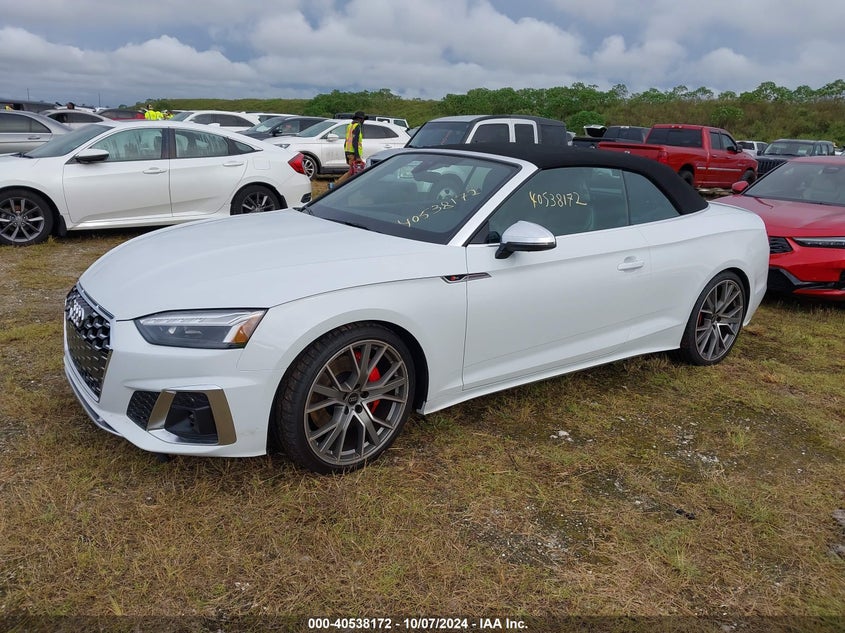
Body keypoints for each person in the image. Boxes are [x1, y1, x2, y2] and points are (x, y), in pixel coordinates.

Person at [332, 110, 366, 187]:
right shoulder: (357, 126)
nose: (363, 121)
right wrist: (357, 156)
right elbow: (355, 141)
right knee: (352, 172)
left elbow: (346, 141)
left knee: (353, 172)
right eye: (363, 119)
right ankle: (336, 185)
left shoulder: (350, 126)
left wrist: (346, 154)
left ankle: (345, 186)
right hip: (353, 153)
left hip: (348, 152)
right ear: (360, 119)